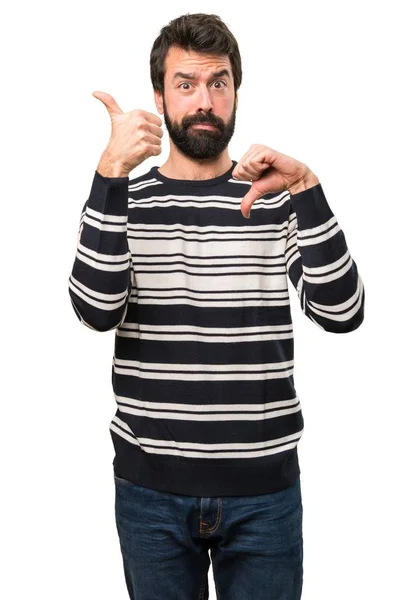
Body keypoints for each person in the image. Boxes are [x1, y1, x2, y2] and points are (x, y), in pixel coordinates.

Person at [68, 12, 365, 600]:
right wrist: (109, 174)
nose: (204, 100)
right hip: (150, 492)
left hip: (265, 495)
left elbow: (343, 310)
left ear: (235, 92)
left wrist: (306, 186)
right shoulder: (124, 197)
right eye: (185, 84)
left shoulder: (275, 196)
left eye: (218, 83)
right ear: (159, 96)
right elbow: (95, 310)